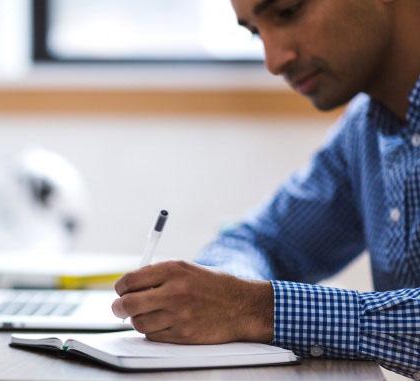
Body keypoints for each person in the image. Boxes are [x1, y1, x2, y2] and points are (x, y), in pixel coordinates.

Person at [111, 0, 420, 378]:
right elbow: (260, 241)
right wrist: (219, 294)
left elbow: (251, 301)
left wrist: (256, 308)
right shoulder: (365, 130)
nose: (274, 62)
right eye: (256, 32)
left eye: (288, 11)